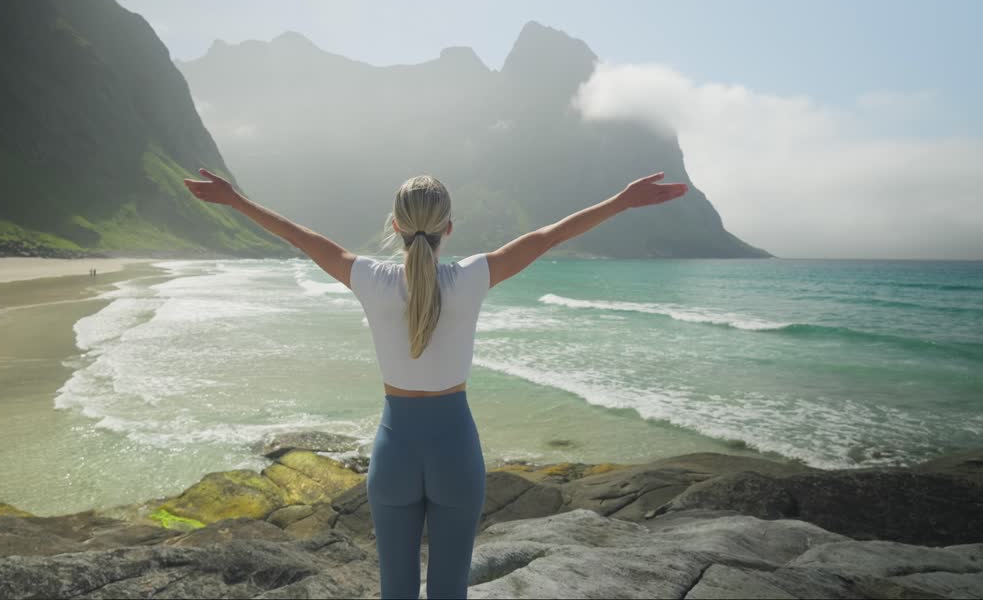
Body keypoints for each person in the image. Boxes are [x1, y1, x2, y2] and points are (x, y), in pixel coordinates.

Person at [184, 168, 688, 599]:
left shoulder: (370, 279)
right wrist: (624, 201)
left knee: (395, 592)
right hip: (455, 451)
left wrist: (235, 200)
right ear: (449, 227)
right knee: (450, 593)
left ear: (395, 225)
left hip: (394, 451)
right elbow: (548, 236)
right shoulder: (470, 277)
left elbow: (300, 236)